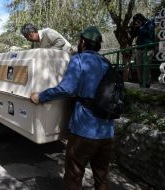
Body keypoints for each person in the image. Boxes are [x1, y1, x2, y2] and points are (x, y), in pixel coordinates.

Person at [30, 26, 114, 190]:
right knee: (102, 176)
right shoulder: (107, 63)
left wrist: (40, 96)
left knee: (74, 175)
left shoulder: (79, 59)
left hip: (84, 130)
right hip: (107, 130)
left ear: (83, 42)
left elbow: (66, 89)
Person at [130, 13, 155, 88]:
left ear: (141, 19)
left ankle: (146, 84)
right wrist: (132, 28)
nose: (136, 23)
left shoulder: (150, 23)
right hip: (139, 48)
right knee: (139, 67)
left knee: (146, 67)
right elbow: (133, 35)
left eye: (137, 21)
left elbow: (149, 34)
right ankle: (141, 84)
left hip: (148, 49)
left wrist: (140, 27)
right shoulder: (138, 26)